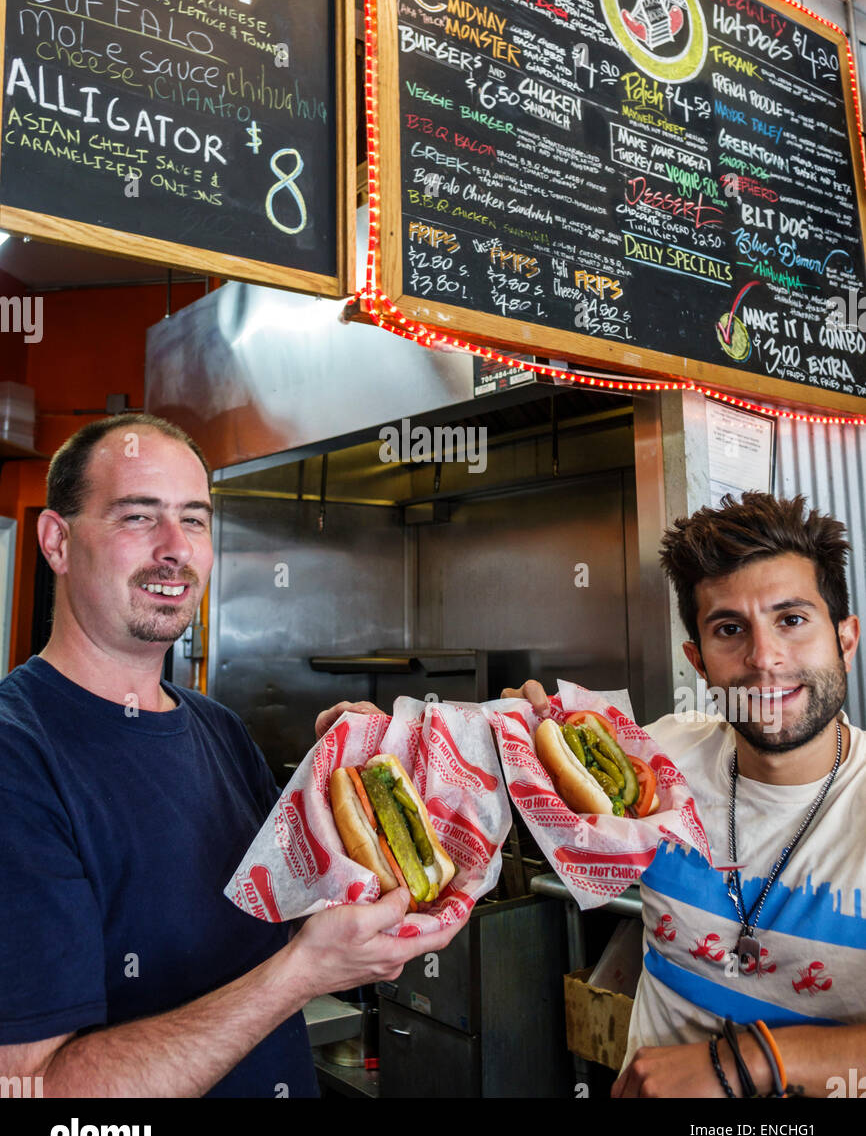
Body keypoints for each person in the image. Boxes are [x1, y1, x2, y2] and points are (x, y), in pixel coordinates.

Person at [0, 415, 462, 1098]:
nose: (174, 550)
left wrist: (345, 775)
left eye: (194, 520)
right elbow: (34, 1087)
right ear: (57, 541)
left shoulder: (218, 729)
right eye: (137, 517)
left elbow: (297, 916)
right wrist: (303, 974)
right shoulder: (19, 756)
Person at [506, 491, 866, 1098]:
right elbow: (550, 824)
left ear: (846, 640)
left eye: (792, 619)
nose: (764, 659)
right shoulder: (660, 759)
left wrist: (742, 1064)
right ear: (698, 661)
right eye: (731, 629)